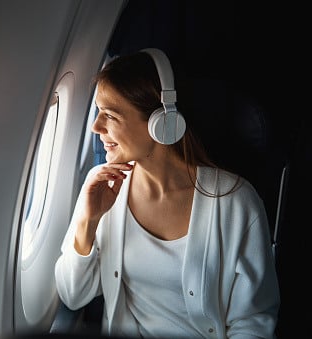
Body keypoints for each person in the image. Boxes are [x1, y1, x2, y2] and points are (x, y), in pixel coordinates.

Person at [54, 48, 280, 338]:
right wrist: (88, 221)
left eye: (110, 115)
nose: (96, 127)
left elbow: (253, 322)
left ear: (161, 122)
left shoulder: (236, 204)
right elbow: (73, 296)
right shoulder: (103, 189)